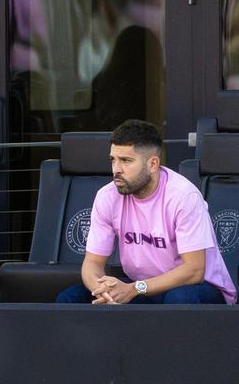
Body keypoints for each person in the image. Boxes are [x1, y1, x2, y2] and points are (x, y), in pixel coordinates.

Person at [56, 120, 237, 305]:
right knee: (71, 297)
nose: (116, 169)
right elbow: (92, 263)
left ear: (153, 164)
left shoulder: (184, 196)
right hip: (143, 288)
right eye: (113, 159)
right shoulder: (107, 196)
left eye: (126, 160)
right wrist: (103, 290)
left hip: (198, 289)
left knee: (180, 298)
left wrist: (134, 288)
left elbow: (194, 271)